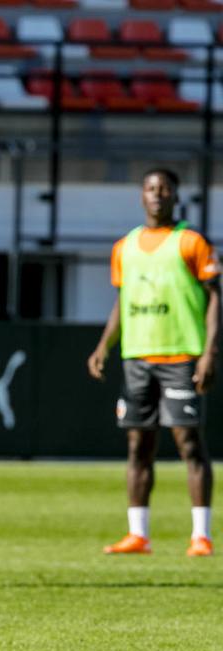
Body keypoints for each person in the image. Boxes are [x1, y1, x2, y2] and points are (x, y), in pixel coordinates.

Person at [87, 168, 218, 557]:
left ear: (176, 196)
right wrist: (103, 346)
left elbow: (215, 298)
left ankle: (201, 535)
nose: (157, 194)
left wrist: (210, 351)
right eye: (150, 188)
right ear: (141, 196)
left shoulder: (191, 242)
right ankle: (138, 534)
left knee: (188, 442)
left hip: (181, 355)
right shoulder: (123, 247)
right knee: (137, 445)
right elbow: (122, 303)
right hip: (137, 357)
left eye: (165, 189)